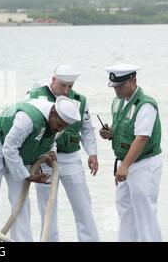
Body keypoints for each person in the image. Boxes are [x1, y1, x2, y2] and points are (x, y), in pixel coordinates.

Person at [0, 95, 80, 242]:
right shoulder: (27, 119)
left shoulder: (60, 125)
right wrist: (27, 175)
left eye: (64, 127)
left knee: (21, 202)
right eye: (60, 124)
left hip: (17, 151)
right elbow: (9, 148)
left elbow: (50, 142)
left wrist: (50, 154)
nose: (60, 129)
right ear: (53, 113)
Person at [28, 65, 100, 242]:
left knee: (83, 206)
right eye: (63, 85)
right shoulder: (35, 96)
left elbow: (87, 129)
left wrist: (92, 153)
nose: (67, 90)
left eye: (70, 86)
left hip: (71, 159)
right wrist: (31, 162)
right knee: (47, 209)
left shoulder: (80, 100)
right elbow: (26, 130)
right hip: (44, 160)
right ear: (53, 80)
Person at [99, 63, 162, 242]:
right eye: (115, 86)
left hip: (143, 163)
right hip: (124, 163)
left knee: (145, 212)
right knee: (124, 209)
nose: (117, 90)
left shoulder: (145, 105)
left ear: (133, 80)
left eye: (120, 85)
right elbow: (124, 128)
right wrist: (110, 133)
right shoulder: (118, 101)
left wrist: (125, 165)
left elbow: (141, 138)